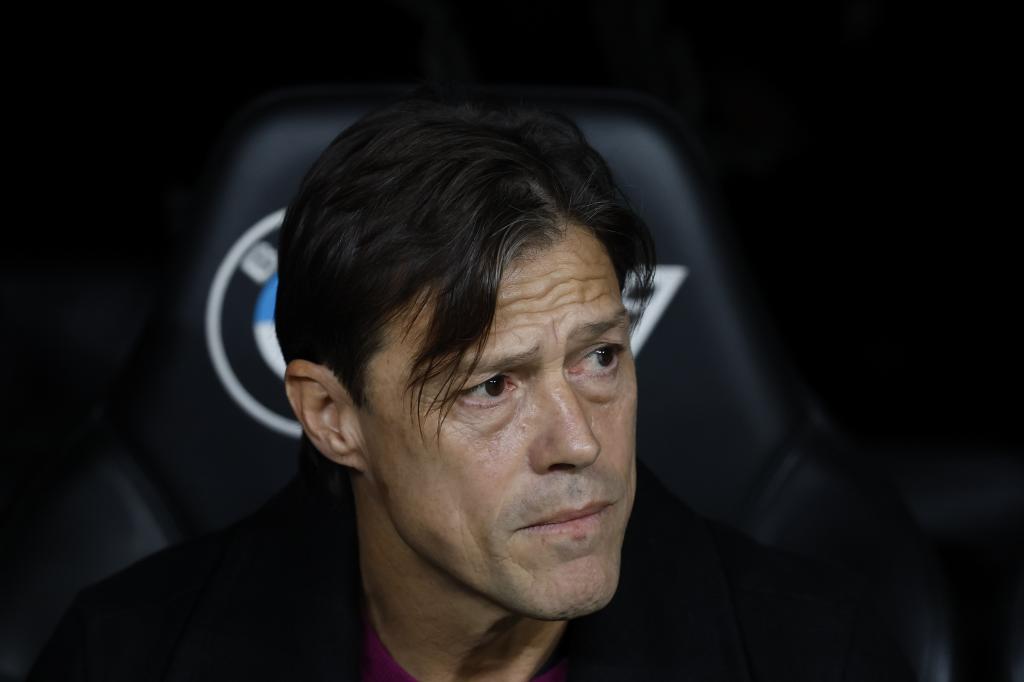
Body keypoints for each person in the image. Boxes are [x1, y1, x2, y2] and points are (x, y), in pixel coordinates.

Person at [29, 85, 916, 681]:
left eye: (599, 358)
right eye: (491, 387)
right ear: (332, 415)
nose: (579, 442)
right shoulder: (126, 656)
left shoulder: (817, 654)